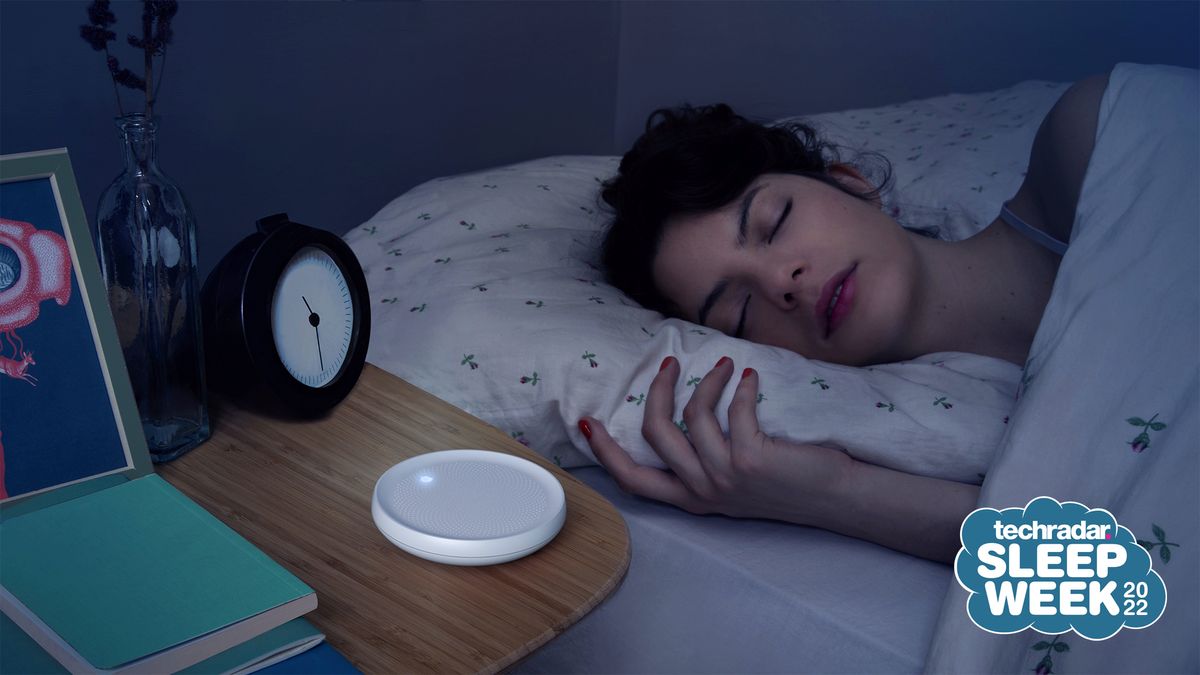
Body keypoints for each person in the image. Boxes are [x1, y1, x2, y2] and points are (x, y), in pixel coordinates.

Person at [577, 71, 1111, 564]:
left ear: (853, 183)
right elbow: (1122, 575)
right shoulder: (954, 414)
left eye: (775, 221)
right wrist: (834, 494)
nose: (780, 281)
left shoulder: (1089, 139)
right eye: (739, 311)